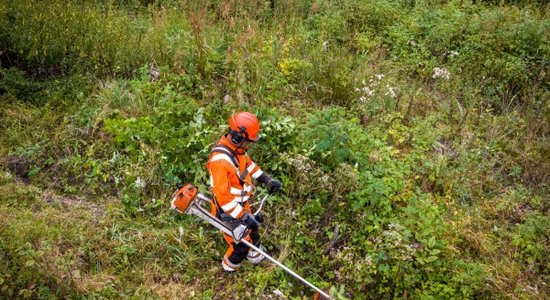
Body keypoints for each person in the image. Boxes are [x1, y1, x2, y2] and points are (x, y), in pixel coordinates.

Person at [206, 112, 282, 272]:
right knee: (239, 245)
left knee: (253, 228)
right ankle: (229, 268)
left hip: (241, 205)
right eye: (248, 142)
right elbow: (223, 198)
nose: (249, 145)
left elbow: (249, 165)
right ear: (238, 138)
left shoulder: (238, 151)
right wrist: (243, 216)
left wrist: (267, 180)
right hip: (227, 212)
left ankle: (255, 255)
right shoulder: (220, 162)